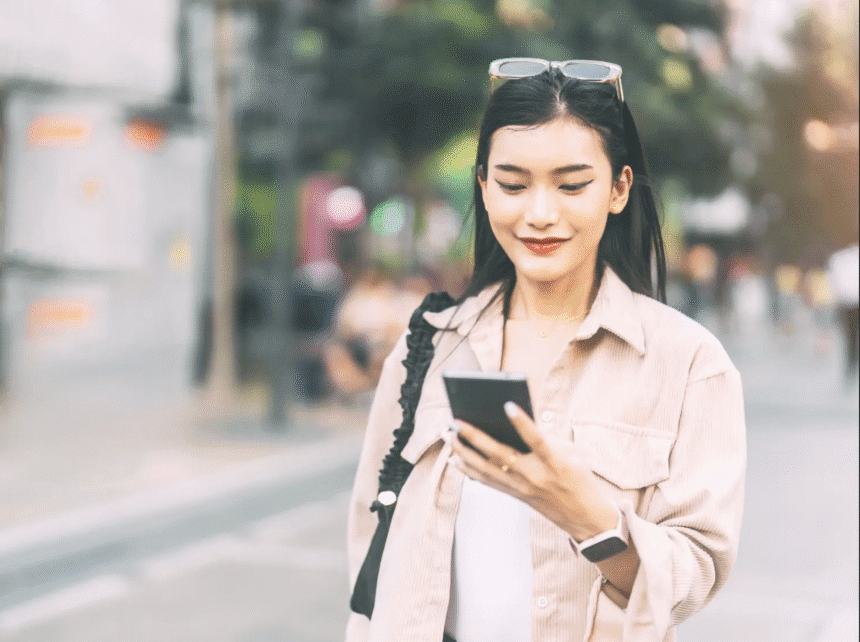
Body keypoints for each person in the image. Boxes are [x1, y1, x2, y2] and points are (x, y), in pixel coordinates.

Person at [346, 59, 746, 642]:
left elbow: (695, 576)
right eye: (513, 185)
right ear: (483, 187)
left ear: (618, 189)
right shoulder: (428, 347)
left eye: (571, 185)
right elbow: (371, 554)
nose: (539, 214)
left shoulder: (688, 364)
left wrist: (586, 514)